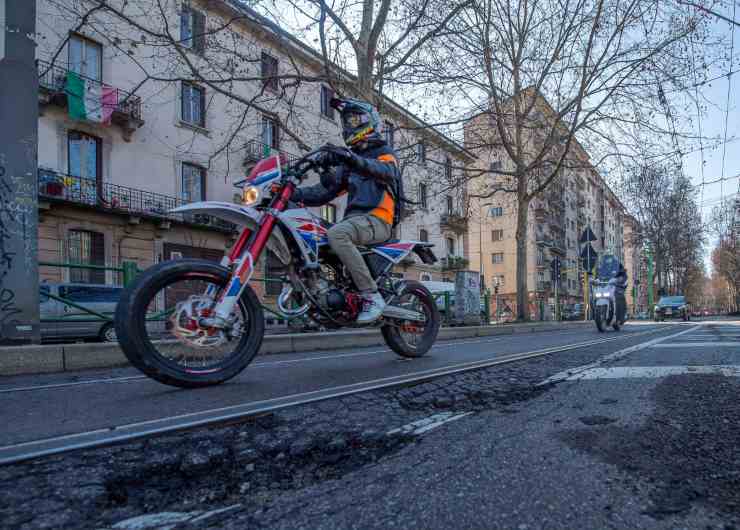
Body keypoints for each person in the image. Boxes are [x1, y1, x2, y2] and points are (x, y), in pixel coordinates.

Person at [292, 97, 400, 324]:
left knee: (337, 234)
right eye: (347, 121)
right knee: (309, 238)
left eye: (355, 119)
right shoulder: (350, 165)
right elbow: (323, 192)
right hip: (356, 223)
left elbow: (384, 171)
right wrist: (291, 192)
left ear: (369, 121)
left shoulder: (383, 152)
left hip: (378, 220)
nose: (350, 125)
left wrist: (349, 157)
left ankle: (371, 295)